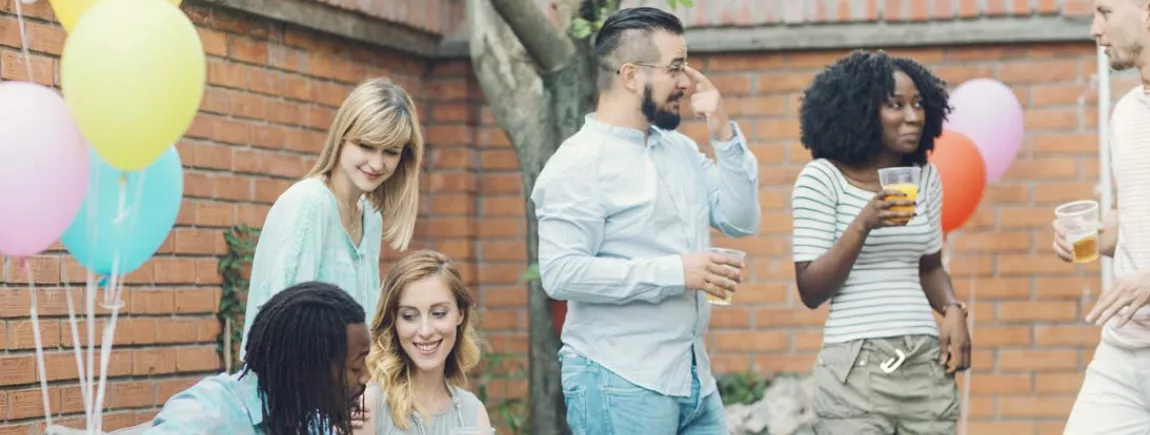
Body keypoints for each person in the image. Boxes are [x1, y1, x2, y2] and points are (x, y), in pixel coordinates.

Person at [530, 6, 761, 434]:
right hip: (619, 379)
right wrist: (677, 273)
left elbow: (740, 219)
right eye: (675, 68)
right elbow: (561, 274)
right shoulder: (578, 164)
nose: (686, 82)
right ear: (631, 75)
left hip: (692, 377)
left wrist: (722, 130)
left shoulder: (679, 151)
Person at [790, 50, 971, 435]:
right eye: (896, 105)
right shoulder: (821, 179)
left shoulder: (924, 178)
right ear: (860, 111)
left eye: (919, 104)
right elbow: (810, 289)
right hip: (855, 367)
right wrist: (864, 223)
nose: (913, 116)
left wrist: (953, 309)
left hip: (924, 363)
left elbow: (930, 266)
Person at [240, 77, 424, 355]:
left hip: (348, 390)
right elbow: (284, 324)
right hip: (293, 390)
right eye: (366, 145)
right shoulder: (309, 204)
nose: (377, 163)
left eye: (391, 152)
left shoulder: (370, 216)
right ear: (342, 137)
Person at [1054, 1, 1150, 433]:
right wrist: (1096, 235)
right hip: (1123, 350)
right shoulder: (1126, 113)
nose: (1094, 28)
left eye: (1105, 12)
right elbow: (1133, 219)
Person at [145, 281, 371, 434]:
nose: (366, 378)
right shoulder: (207, 413)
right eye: (355, 368)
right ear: (310, 368)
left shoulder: (310, 421)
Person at [354, 250, 490, 434]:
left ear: (460, 314)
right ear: (394, 321)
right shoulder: (369, 408)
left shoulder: (473, 412)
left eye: (439, 313)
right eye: (409, 316)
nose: (425, 331)